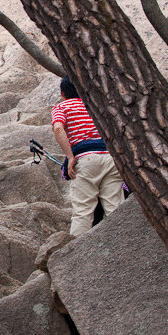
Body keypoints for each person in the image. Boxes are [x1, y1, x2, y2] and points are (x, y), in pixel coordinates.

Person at [51, 76, 124, 236]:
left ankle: (76, 258)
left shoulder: (62, 107)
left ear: (63, 94)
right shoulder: (96, 106)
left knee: (83, 213)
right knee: (117, 210)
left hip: (85, 159)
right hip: (110, 158)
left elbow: (58, 129)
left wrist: (70, 157)